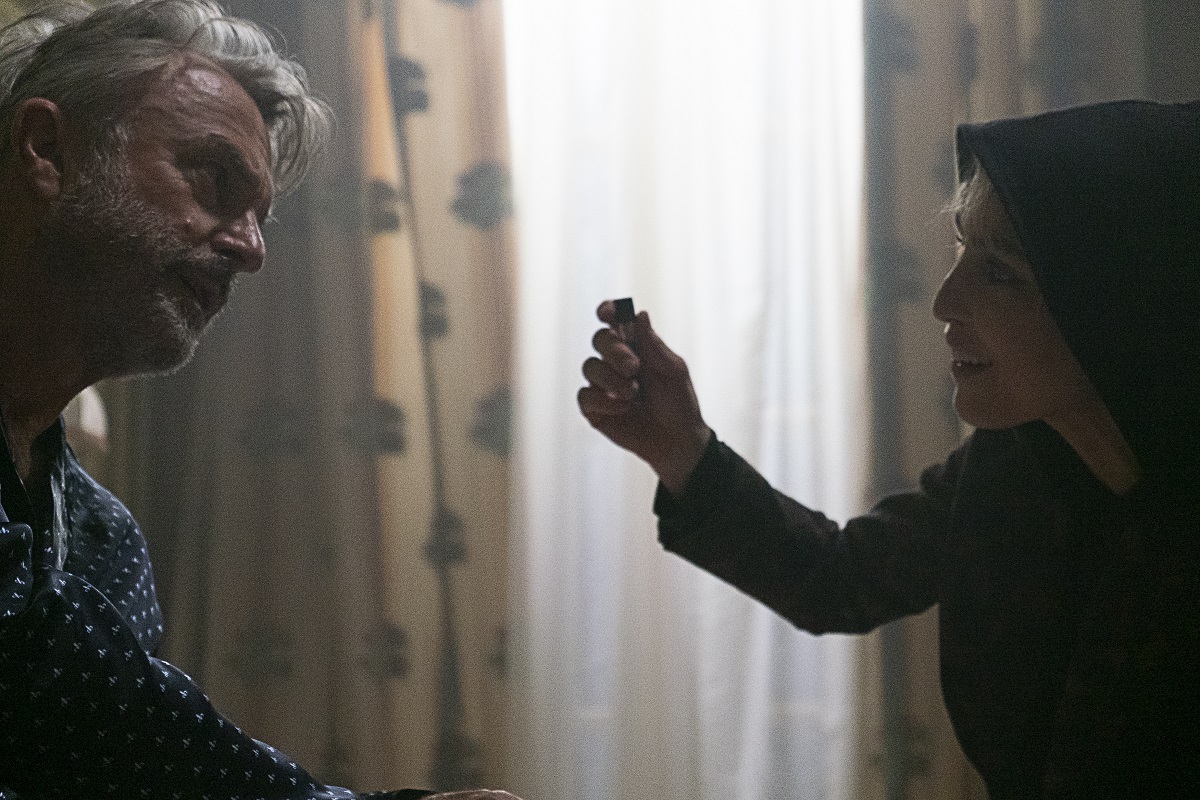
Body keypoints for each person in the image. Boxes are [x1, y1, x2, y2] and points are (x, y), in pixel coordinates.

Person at [579, 99, 1200, 797]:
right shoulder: (1012, 464)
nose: (944, 301)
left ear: (1117, 301)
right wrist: (683, 449)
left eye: (999, 272)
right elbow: (838, 579)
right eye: (961, 250)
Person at [0, 3, 519, 799]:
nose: (251, 249)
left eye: (259, 217)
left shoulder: (104, 540)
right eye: (215, 179)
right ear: (48, 150)